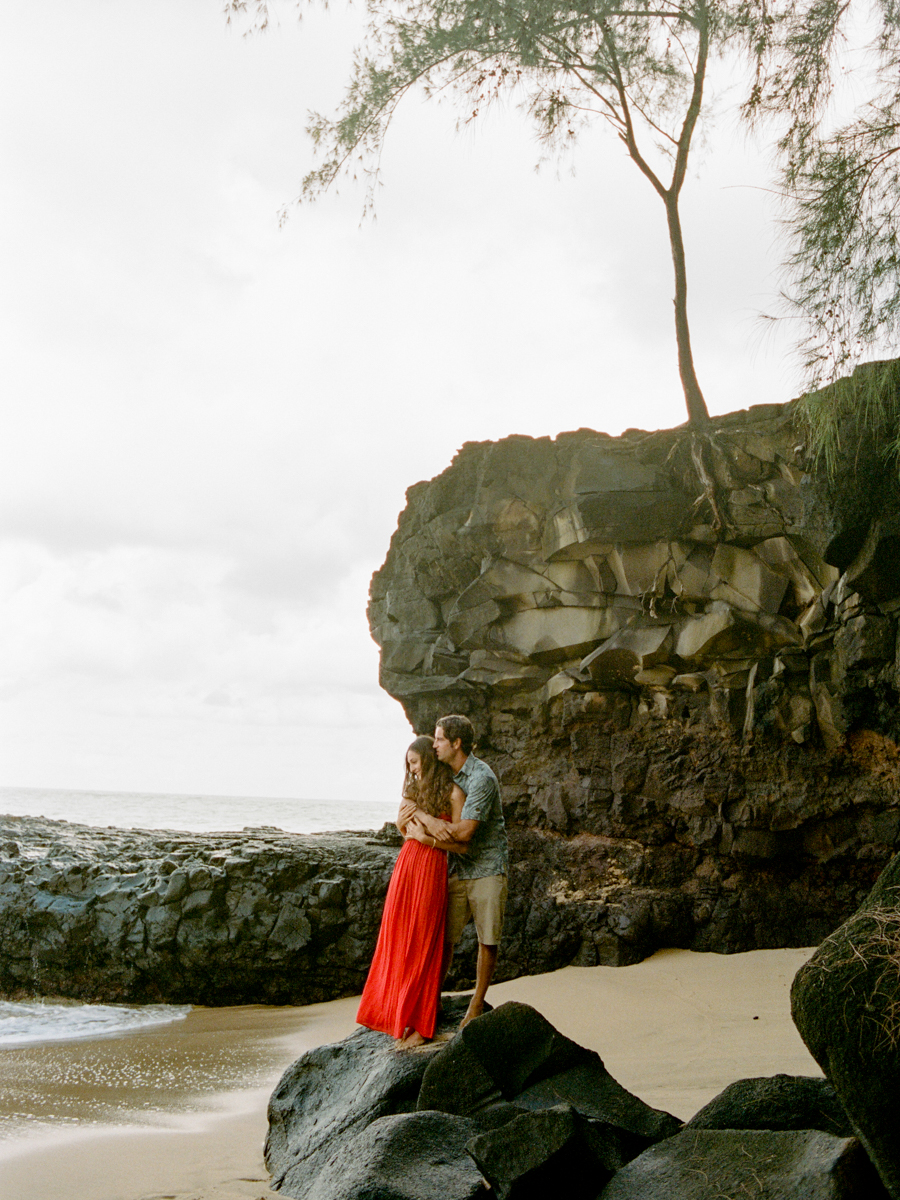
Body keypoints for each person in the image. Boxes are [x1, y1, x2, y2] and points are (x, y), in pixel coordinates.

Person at [356, 735, 469, 1049]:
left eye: (415, 763)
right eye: (408, 765)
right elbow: (405, 830)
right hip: (407, 866)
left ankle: (421, 1023)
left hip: (432, 867)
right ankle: (399, 1015)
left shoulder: (454, 793)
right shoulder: (411, 793)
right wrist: (413, 825)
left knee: (424, 941)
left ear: (428, 761)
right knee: (399, 938)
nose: (412, 770)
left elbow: (461, 842)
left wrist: (426, 831)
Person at [401, 714, 508, 1028]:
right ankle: (431, 999)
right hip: (457, 865)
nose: (434, 745)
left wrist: (427, 834)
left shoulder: (481, 778)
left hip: (487, 865)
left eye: (439, 740)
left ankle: (475, 1006)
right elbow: (413, 810)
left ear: (456, 743)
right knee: (444, 936)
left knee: (487, 939)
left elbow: (464, 833)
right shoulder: (444, 774)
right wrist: (428, 819)